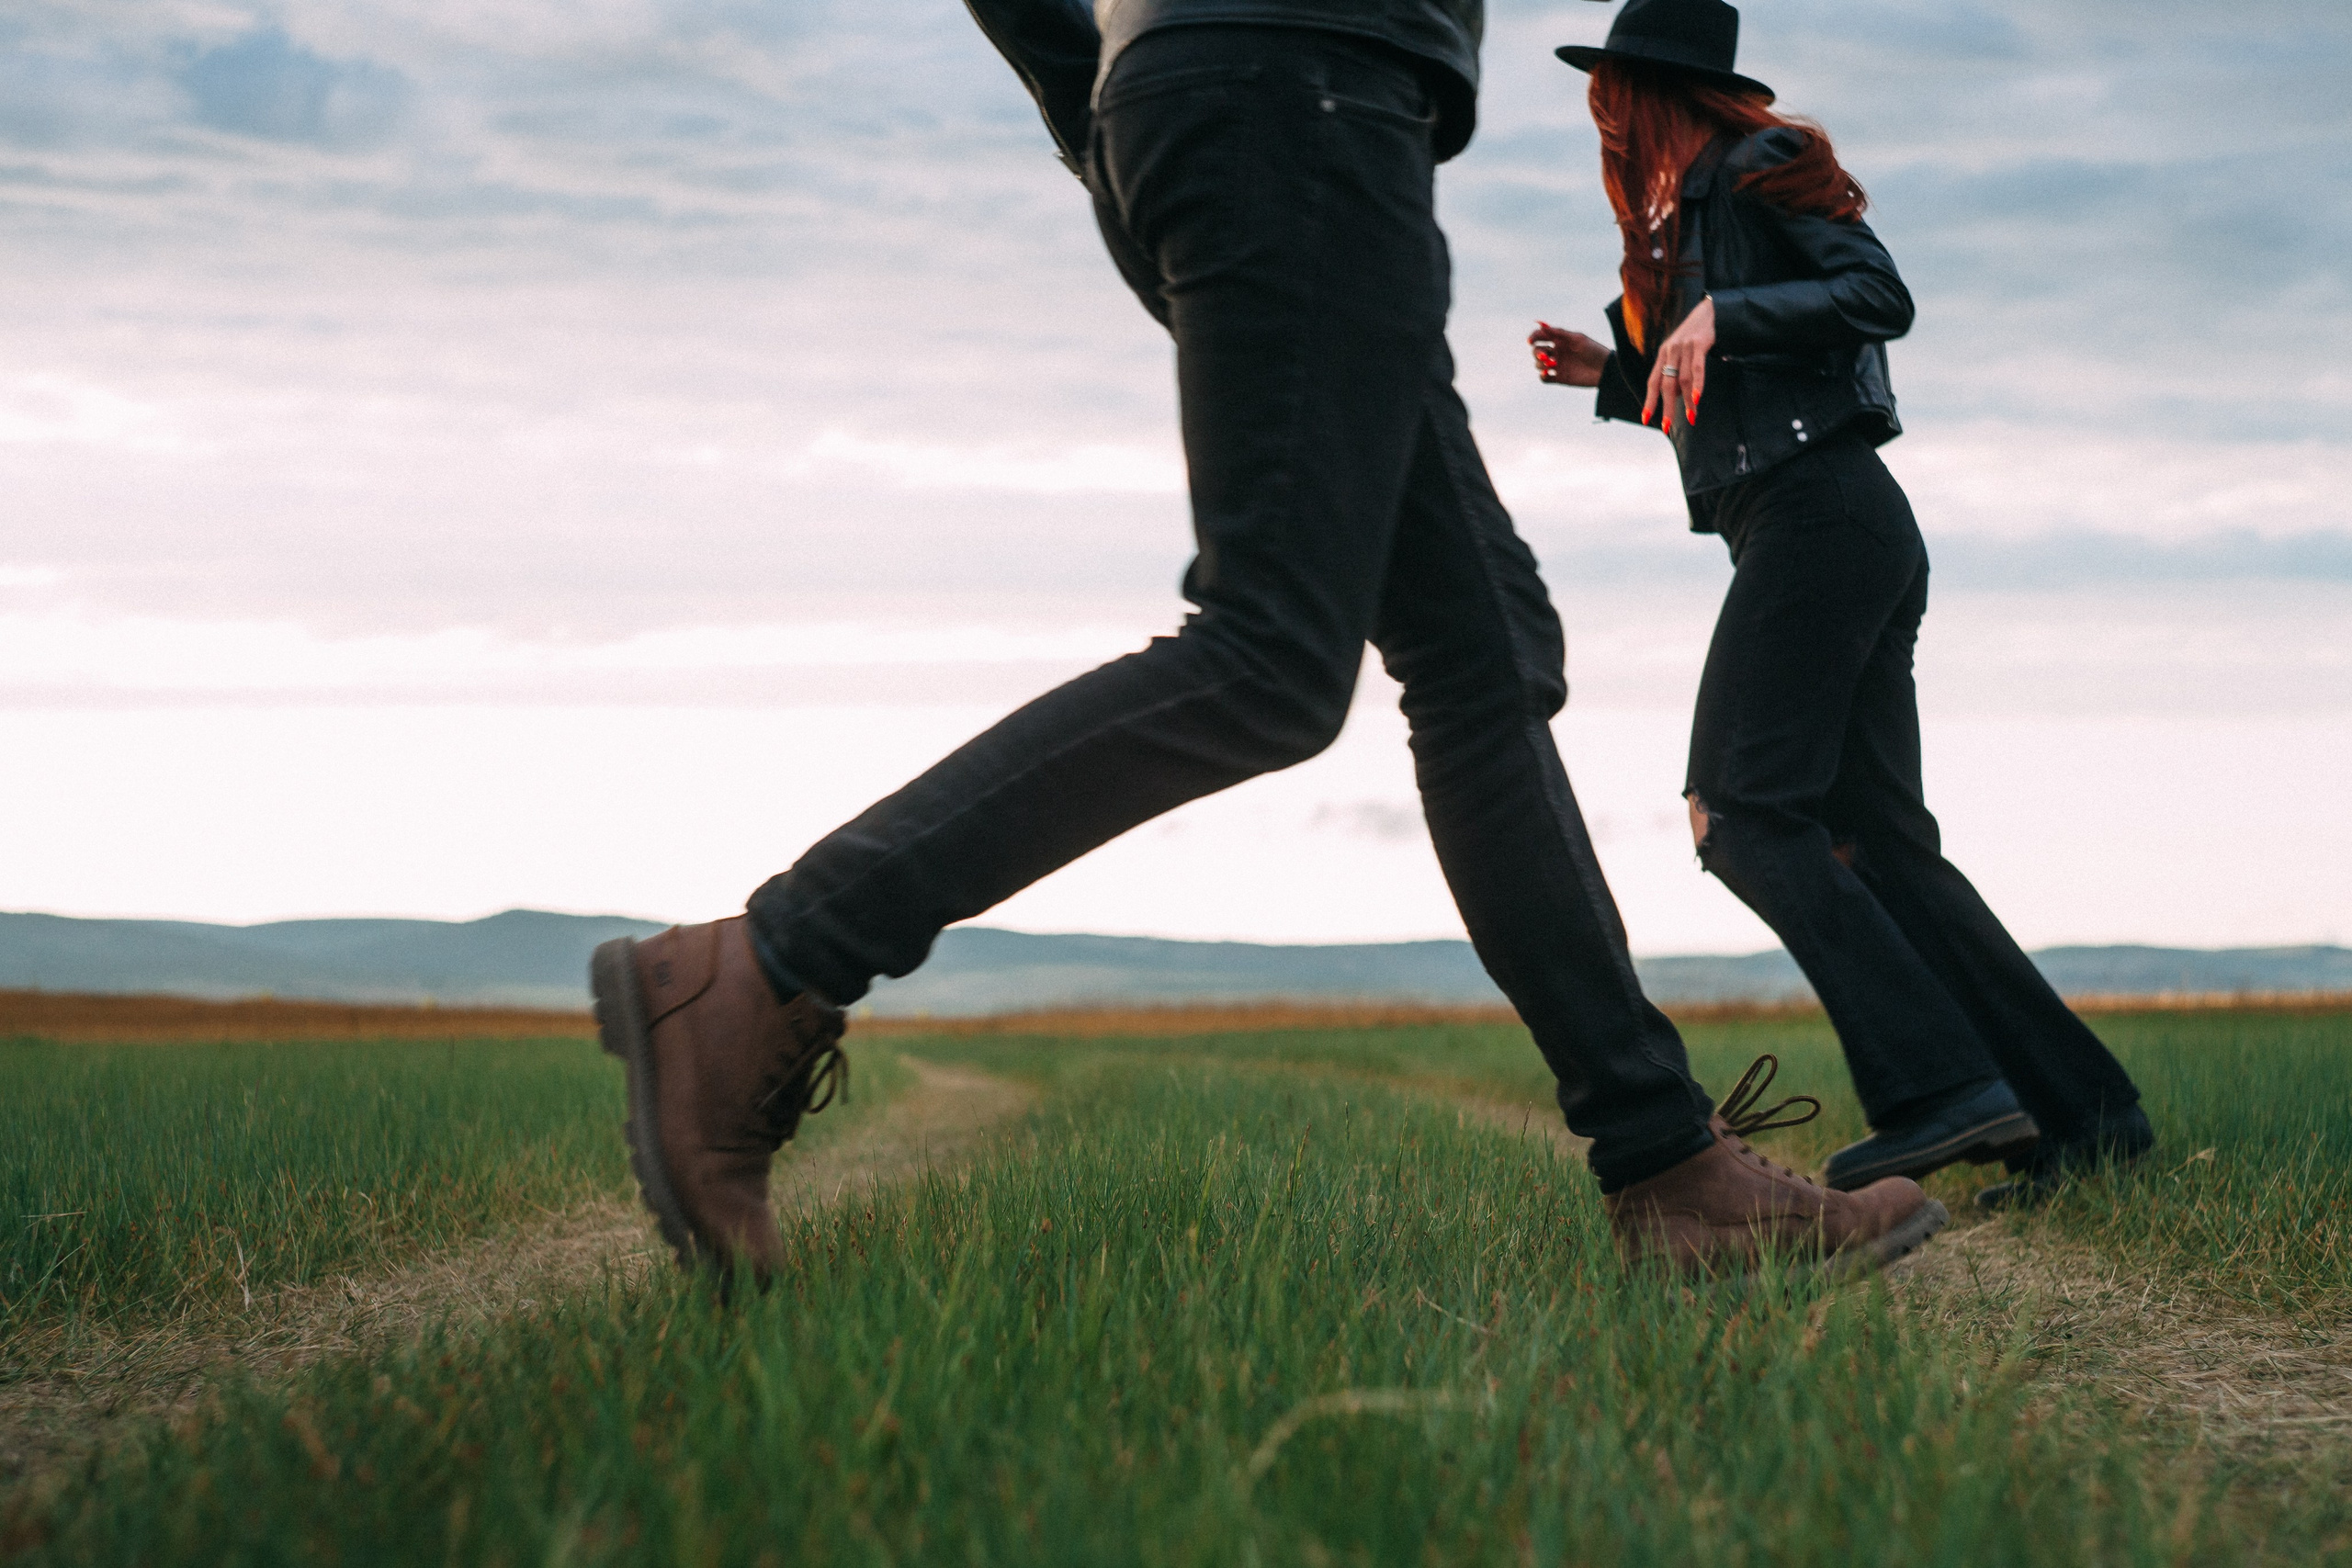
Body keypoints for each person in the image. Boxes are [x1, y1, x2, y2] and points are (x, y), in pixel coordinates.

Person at [589, 0, 1945, 1283]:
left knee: (1488, 657)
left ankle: (1667, 1170)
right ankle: (770, 966)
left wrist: (1101, 104)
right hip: (1302, 103)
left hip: (1296, 109)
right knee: (1275, 655)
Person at [1528, 0, 2153, 1209]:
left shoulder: (1755, 165)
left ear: (1651, 90)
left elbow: (1880, 296)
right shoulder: (1681, 223)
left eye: (1611, 86)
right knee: (1881, 846)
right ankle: (2088, 1117)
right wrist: (1618, 371)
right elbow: (1714, 390)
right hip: (1821, 526)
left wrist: (1726, 314)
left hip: (1827, 518)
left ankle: (1937, 1091)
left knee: (1743, 811)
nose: (1599, 110)